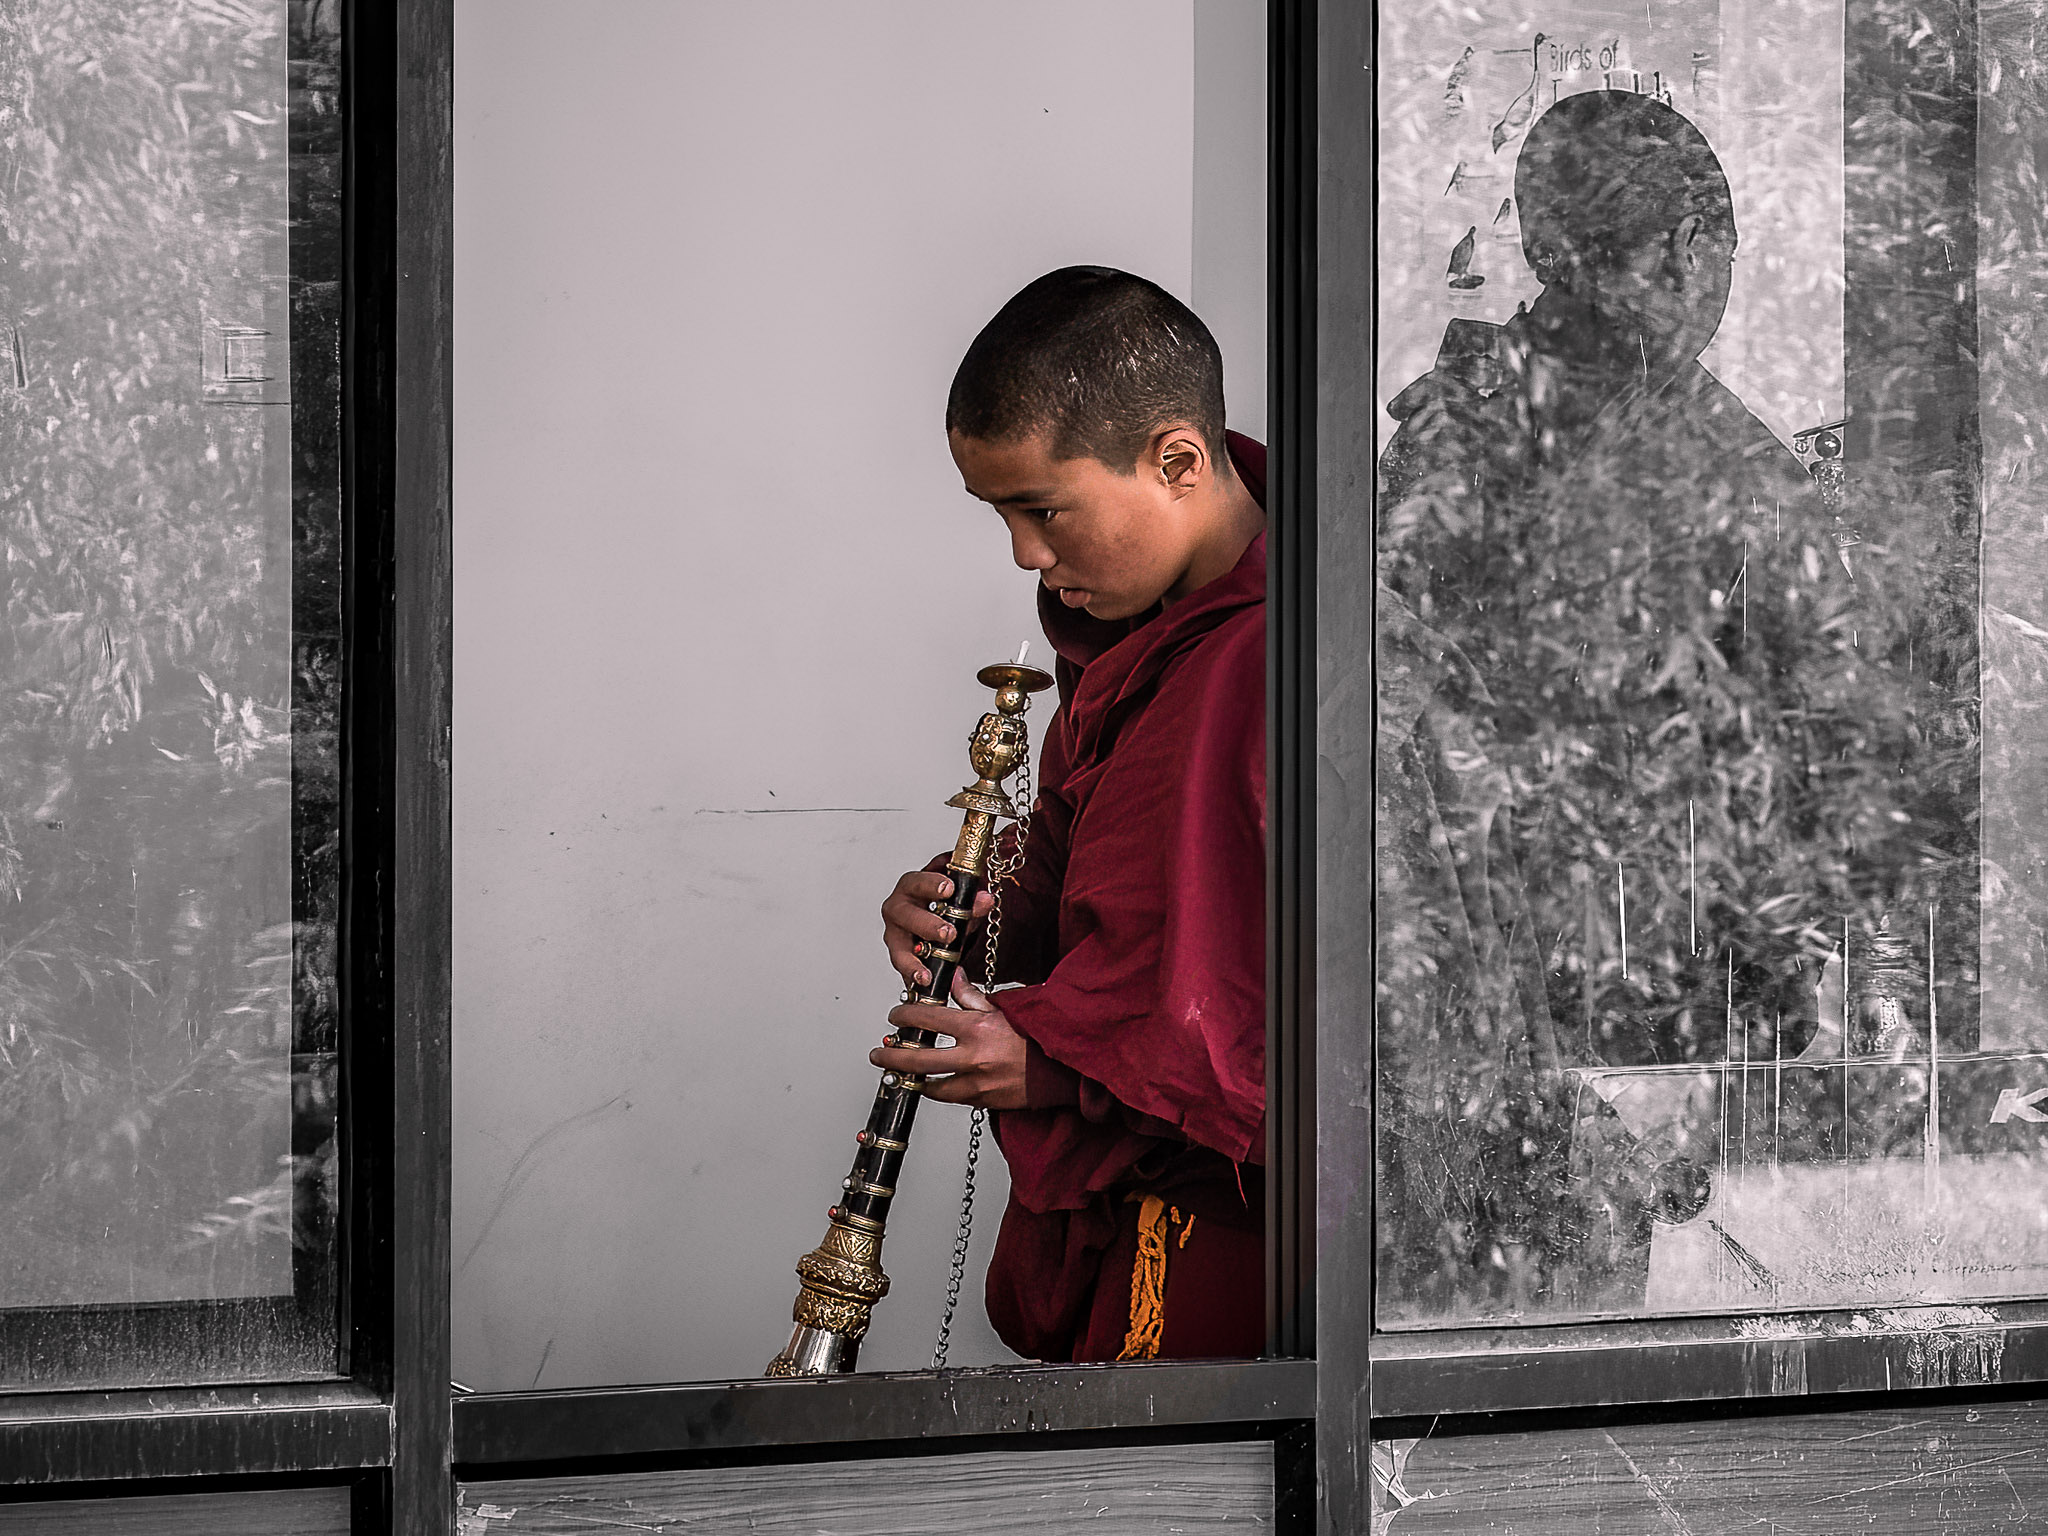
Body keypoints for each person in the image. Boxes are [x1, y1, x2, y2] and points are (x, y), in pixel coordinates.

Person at [1374, 92, 1974, 1321]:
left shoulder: (1451, 434)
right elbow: (1815, 750)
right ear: (1680, 251)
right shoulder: (1704, 463)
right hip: (1597, 1017)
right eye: (1722, 259)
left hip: (1459, 1014)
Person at [868, 266, 1268, 1362]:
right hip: (1135, 1220)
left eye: (1042, 508)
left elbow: (1298, 1017)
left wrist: (1049, 1066)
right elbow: (1094, 885)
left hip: (1241, 1239)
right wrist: (978, 903)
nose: (1025, 556)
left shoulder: (1284, 655)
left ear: (1177, 461)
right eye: (999, 512)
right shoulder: (1131, 637)